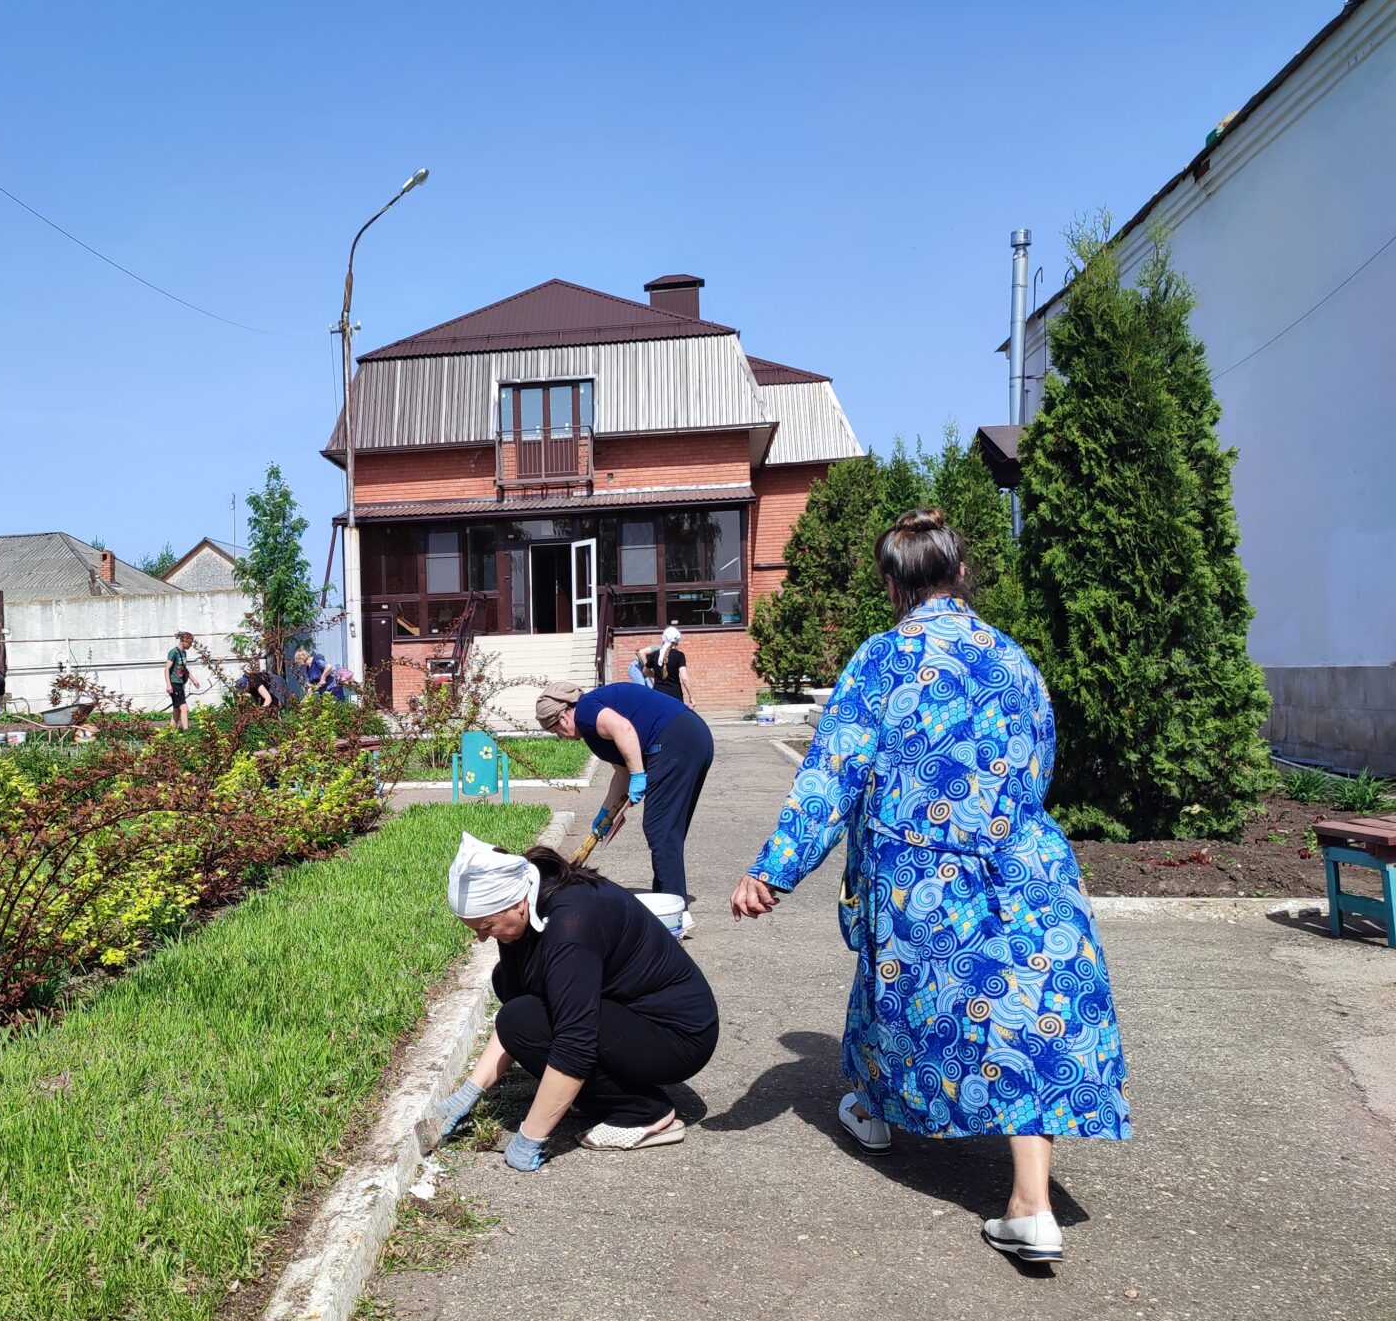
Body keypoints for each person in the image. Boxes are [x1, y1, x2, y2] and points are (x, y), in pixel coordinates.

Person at [729, 509, 1131, 1266]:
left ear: (892, 584)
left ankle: (878, 1115)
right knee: (1031, 1015)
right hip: (1025, 861)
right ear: (961, 573)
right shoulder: (1013, 658)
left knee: (897, 997)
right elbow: (1040, 759)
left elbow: (832, 773)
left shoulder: (883, 658)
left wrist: (773, 869)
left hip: (923, 873)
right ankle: (1031, 1205)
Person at [430, 833, 719, 1168]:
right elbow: (520, 1006)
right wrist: (468, 1093)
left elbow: (573, 1042)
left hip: (676, 1036)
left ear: (515, 903)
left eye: (486, 926)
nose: (481, 937)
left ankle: (642, 1111)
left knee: (522, 1020)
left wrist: (530, 1137)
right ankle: (594, 1092)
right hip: (628, 1017)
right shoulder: (525, 898)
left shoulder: (571, 926)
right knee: (509, 990)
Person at [535, 679, 715, 901]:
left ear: (562, 718)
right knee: (666, 829)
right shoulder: (592, 720)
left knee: (659, 828)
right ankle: (665, 897)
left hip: (676, 741)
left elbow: (624, 729)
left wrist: (639, 774)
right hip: (692, 738)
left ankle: (674, 906)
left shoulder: (586, 710)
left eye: (555, 731)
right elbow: (622, 773)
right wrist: (604, 814)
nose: (561, 737)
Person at [640, 627, 692, 703]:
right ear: (677, 641)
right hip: (675, 696)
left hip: (658, 695)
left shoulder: (655, 654)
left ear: (663, 639)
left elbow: (645, 671)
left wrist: (658, 676)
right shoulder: (679, 655)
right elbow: (684, 678)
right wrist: (691, 696)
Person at [165, 631, 195, 731]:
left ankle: (171, 732)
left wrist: (194, 680)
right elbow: (166, 669)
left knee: (176, 709)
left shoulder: (184, 653)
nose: (190, 646)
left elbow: (184, 668)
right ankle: (187, 732)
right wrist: (168, 685)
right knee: (184, 708)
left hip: (180, 684)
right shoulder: (174, 652)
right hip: (174, 684)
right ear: (183, 641)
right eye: (189, 643)